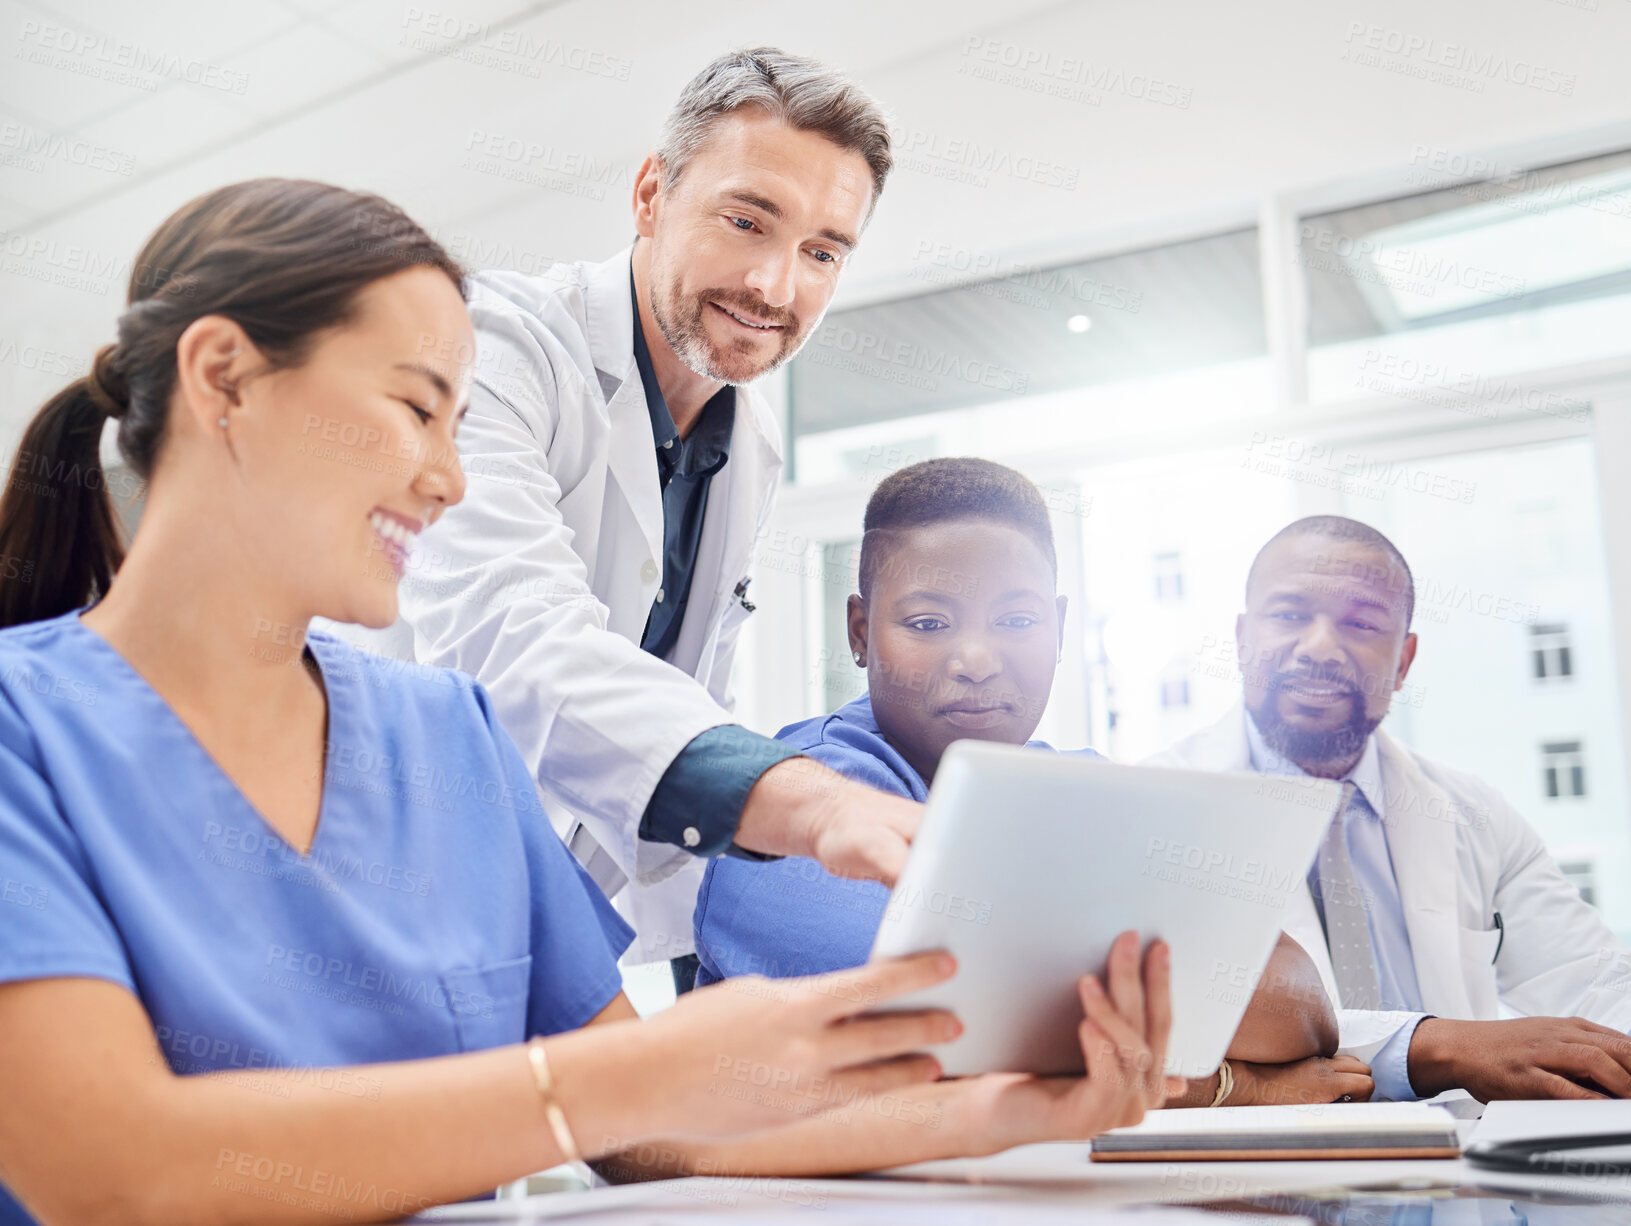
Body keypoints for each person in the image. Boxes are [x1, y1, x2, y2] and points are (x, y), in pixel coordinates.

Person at [0, 179, 1177, 1226]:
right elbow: (108, 1168)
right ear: (224, 381)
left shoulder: (439, 735)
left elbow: (652, 1127)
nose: (448, 478)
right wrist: (637, 1074)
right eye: (417, 408)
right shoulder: (25, 732)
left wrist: (1002, 1111)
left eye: (461, 427)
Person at [323, 48, 923, 988]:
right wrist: (797, 801)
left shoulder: (746, 441)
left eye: (821, 252)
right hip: (365, 875)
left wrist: (715, 957)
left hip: (531, 921)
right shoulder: (496, 346)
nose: (774, 286)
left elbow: (678, 706)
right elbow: (513, 639)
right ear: (651, 194)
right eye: (745, 219)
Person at [694, 458, 1371, 1109]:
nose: (977, 660)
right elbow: (934, 1062)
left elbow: (1300, 1010)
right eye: (928, 623)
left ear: (1058, 628)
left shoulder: (1087, 787)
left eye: (1016, 621)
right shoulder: (798, 803)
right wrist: (1235, 1088)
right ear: (860, 632)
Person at [1149, 515, 1631, 1102]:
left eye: (1362, 622)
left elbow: (1593, 983)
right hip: (1257, 1176)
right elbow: (1180, 1029)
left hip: (1463, 1173)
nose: (1320, 647)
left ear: (1403, 661)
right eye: (1289, 615)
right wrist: (1443, 1047)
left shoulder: (1475, 813)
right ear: (1243, 639)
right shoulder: (1156, 804)